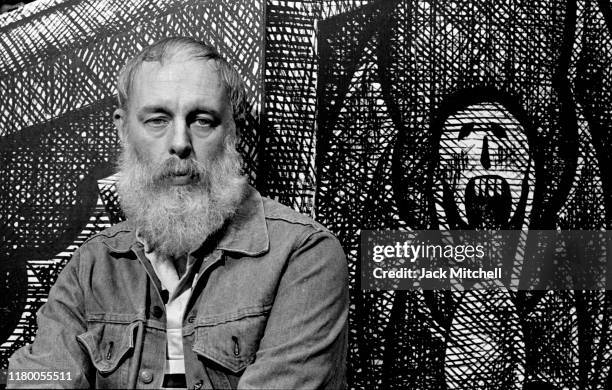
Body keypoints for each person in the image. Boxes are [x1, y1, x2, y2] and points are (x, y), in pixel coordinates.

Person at [8, 37, 348, 389]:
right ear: (123, 130)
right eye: (157, 120)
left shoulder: (304, 254)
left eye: (202, 120)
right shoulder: (92, 264)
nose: (181, 142)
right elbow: (42, 375)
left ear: (234, 131)